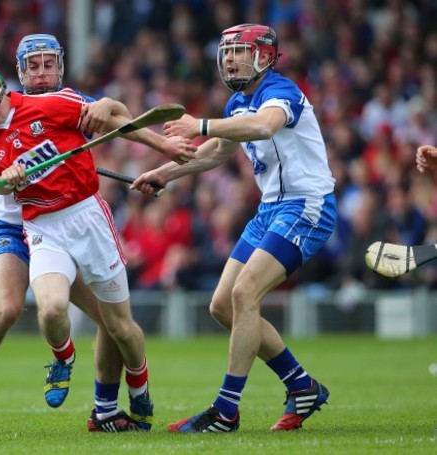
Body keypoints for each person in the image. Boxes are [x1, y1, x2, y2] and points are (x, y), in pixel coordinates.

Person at [0, 38, 195, 435]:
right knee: (11, 310)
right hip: (21, 224)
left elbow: (116, 117)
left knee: (114, 324)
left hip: (81, 215)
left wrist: (120, 114)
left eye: (48, 64)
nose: (41, 72)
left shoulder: (57, 102)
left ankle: (108, 409)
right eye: (33, 66)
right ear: (17, 72)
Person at [131, 23, 336, 432]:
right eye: (226, 53)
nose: (229, 59)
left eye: (239, 51)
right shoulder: (237, 103)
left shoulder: (281, 92)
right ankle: (302, 384)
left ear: (264, 55)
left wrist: (200, 125)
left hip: (306, 206)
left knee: (245, 293)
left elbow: (263, 127)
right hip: (270, 210)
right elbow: (216, 154)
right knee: (222, 304)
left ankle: (225, 411)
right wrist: (164, 173)